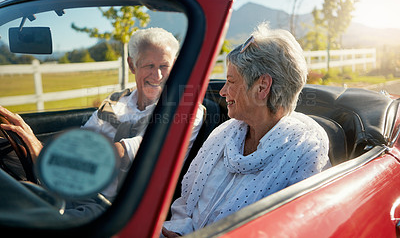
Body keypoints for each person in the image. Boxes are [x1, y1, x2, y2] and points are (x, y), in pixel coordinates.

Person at [0, 27, 204, 215]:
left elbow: (128, 152)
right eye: (149, 65)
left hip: (114, 208)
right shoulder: (116, 100)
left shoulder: (187, 110)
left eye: (164, 66)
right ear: (132, 64)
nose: (157, 75)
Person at [161, 22, 331, 237]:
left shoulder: (305, 150)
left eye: (231, 81)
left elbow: (291, 229)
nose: (222, 91)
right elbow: (186, 204)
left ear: (262, 87)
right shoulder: (223, 134)